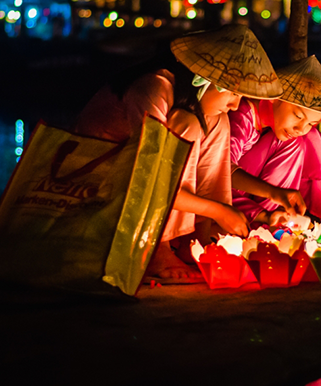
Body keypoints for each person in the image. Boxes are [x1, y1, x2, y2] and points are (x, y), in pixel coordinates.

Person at [75, 24, 282, 282]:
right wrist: (219, 211)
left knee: (217, 122)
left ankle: (194, 240)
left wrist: (218, 212)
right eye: (232, 92)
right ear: (202, 80)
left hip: (136, 180)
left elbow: (207, 170)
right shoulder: (154, 88)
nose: (234, 104)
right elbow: (151, 178)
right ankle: (156, 249)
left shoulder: (201, 108)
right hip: (97, 180)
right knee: (191, 124)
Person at [229, 55, 321, 229]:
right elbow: (221, 170)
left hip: (243, 195)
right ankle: (266, 220)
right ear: (275, 97)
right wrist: (274, 193)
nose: (301, 128)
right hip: (222, 194)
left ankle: (277, 217)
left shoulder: (274, 129)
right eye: (298, 116)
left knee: (295, 141)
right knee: (292, 142)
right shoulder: (241, 116)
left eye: (311, 123)